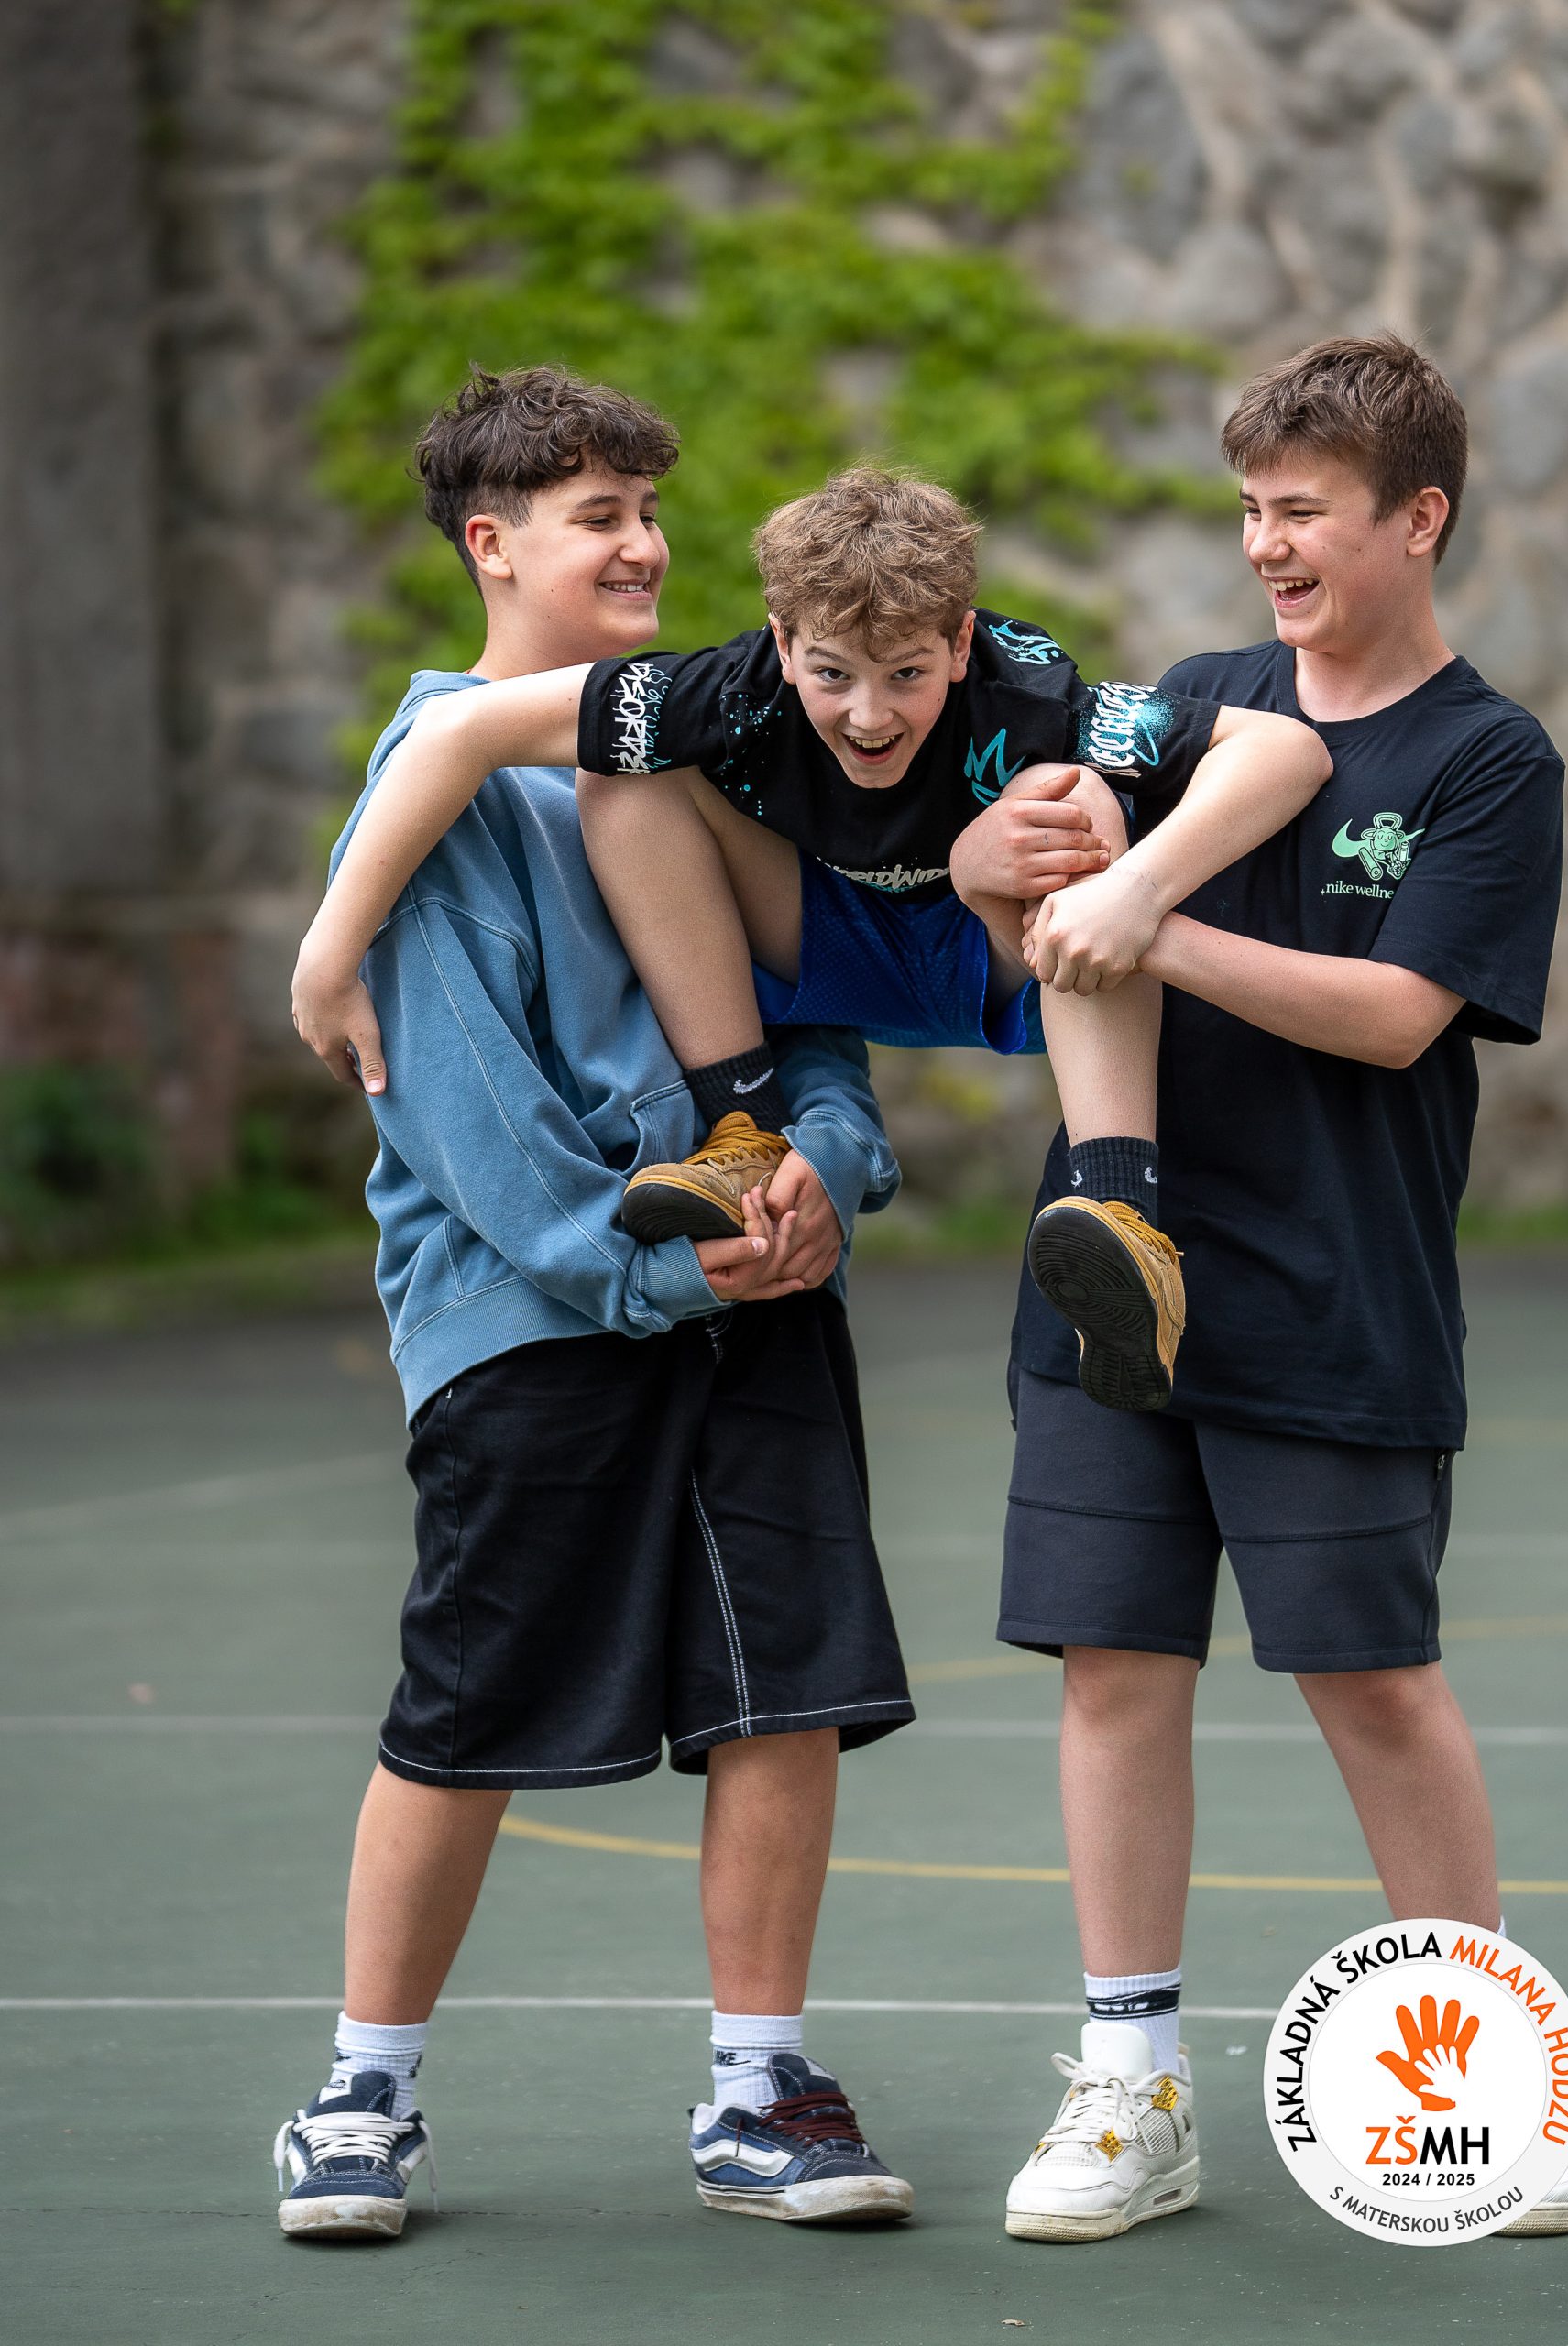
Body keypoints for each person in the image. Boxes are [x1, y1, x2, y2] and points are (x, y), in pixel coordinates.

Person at [274, 366, 916, 2242]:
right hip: (538, 1317)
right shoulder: (436, 785)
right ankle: (361, 2093)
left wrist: (827, 1171)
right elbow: (465, 1115)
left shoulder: (704, 742)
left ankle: (758, 2091)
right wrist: (651, 1264)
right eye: (596, 517)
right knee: (468, 1707)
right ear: (490, 545)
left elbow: (812, 1017)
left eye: (647, 510)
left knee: (782, 1695)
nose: (643, 546)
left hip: (749, 1292)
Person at [996, 333, 1568, 2244]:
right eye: (1249, 509)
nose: (1264, 543)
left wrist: (1150, 924)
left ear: (1416, 518)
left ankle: (1478, 2083)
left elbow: (1395, 1014)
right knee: (1111, 1668)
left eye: (1303, 511)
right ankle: (1130, 2087)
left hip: (1335, 1294)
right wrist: (1012, 873)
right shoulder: (1187, 704)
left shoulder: (1485, 757)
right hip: (1118, 1271)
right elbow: (1044, 909)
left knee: (1371, 1685)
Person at [293, 470, 1332, 1417]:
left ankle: (1117, 1207)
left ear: (960, 644)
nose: (868, 715)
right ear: (782, 642)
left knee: (1072, 797)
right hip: (825, 944)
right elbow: (455, 730)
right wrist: (329, 959)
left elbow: (1285, 749)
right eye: (832, 674)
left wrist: (1137, 895)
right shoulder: (732, 693)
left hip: (1003, 950)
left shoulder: (1025, 698)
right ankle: (743, 1127)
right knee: (624, 774)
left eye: (907, 674)